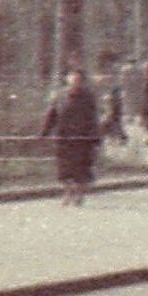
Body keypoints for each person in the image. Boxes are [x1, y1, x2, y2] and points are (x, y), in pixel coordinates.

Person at [43, 70, 99, 204]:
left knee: (81, 168)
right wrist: (45, 132)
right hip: (64, 137)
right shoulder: (60, 96)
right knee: (64, 168)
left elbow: (93, 117)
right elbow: (52, 114)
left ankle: (79, 194)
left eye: (78, 81)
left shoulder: (88, 97)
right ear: (68, 81)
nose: (75, 83)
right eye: (72, 80)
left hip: (82, 137)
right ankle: (67, 193)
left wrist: (94, 135)